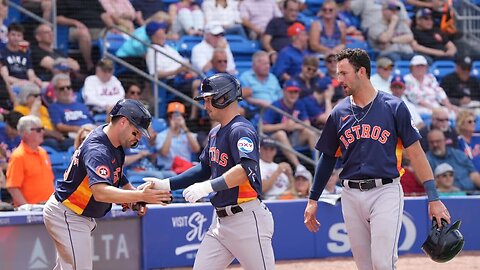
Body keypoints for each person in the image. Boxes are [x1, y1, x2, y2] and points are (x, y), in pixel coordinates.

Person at [304, 48, 451, 270]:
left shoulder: (393, 107)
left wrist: (433, 198)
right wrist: (313, 199)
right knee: (365, 266)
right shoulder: (339, 112)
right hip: (350, 195)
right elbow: (327, 158)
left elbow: (417, 154)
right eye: (338, 74)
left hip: (385, 191)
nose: (338, 79)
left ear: (361, 71)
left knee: (382, 263)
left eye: (344, 73)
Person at [143, 73, 275, 269]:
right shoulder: (215, 132)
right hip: (220, 222)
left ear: (225, 98)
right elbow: (204, 168)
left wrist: (207, 187)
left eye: (209, 99)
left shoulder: (241, 129)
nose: (205, 106)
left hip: (246, 219)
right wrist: (166, 184)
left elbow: (244, 170)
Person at [42, 99, 171, 270]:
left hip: (74, 213)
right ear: (123, 122)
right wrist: (141, 195)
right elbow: (101, 192)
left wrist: (130, 192)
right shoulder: (98, 149)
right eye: (136, 132)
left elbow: (115, 172)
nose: (139, 137)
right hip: (68, 214)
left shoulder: (111, 139)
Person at [6, 115, 54, 206]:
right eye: (38, 130)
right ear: (25, 133)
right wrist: (27, 208)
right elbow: (12, 187)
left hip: (47, 209)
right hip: (31, 213)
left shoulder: (43, 152)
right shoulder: (18, 156)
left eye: (42, 129)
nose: (42, 132)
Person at [155, 102, 201, 173]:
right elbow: (164, 152)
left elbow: (196, 149)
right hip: (168, 170)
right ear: (169, 118)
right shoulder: (161, 135)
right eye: (172, 116)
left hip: (185, 169)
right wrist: (171, 130)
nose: (176, 118)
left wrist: (184, 127)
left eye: (179, 115)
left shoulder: (188, 134)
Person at [47, 74, 94, 140]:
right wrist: (78, 129)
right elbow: (59, 127)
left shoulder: (81, 105)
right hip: (74, 135)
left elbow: (93, 122)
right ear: (55, 91)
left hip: (91, 131)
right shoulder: (54, 107)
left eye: (68, 87)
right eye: (62, 88)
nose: (66, 90)